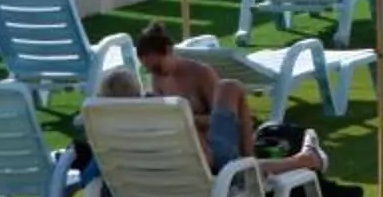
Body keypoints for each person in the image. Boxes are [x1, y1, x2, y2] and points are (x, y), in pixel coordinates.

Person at [133, 25, 327, 180]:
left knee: (229, 87)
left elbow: (219, 120)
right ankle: (298, 160)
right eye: (148, 70)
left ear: (169, 51)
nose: (154, 74)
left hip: (213, 143)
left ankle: (250, 158)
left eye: (157, 67)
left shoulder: (200, 73)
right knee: (230, 88)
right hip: (190, 150)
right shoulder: (158, 80)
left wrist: (186, 117)